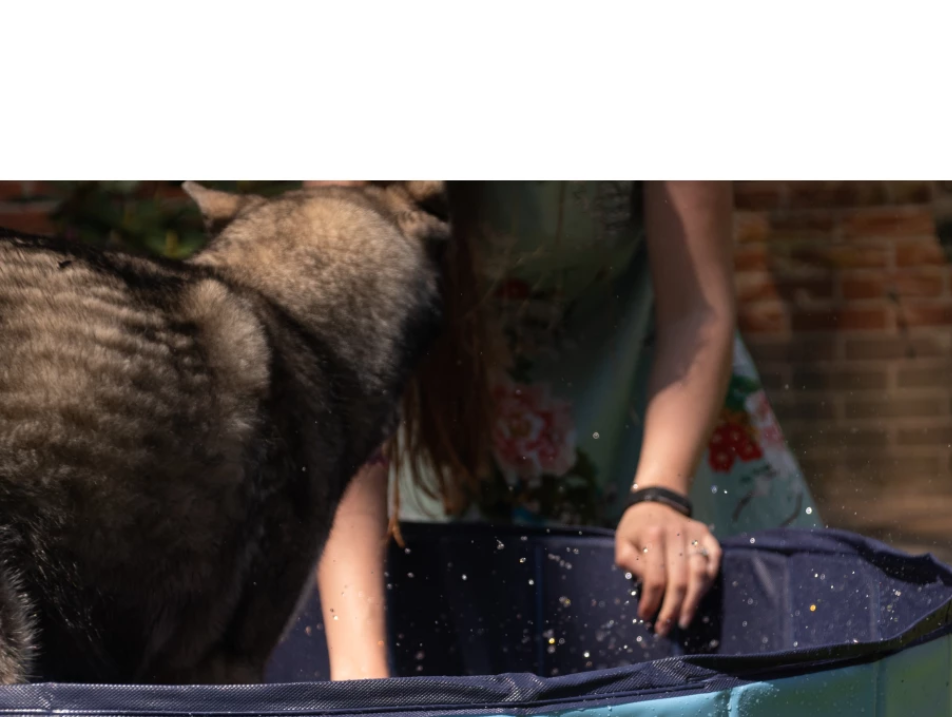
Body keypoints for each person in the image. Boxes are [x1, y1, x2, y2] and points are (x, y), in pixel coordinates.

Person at [310, 182, 821, 680]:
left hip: (659, 416)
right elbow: (352, 374)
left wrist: (661, 493)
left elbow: (695, 309)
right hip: (448, 440)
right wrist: (360, 672)